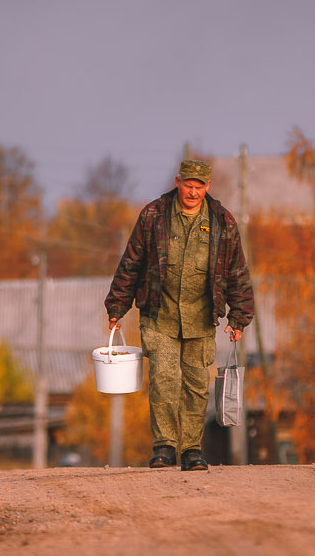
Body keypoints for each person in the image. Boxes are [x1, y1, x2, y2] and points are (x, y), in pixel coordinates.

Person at [104, 157, 256, 470]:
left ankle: (191, 450)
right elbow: (131, 262)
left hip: (201, 319)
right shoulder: (154, 216)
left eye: (199, 186)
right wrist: (117, 306)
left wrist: (239, 316)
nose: (193, 191)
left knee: (197, 385)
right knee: (164, 380)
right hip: (159, 316)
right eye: (188, 184)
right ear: (178, 182)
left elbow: (236, 272)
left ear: (207, 187)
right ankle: (164, 448)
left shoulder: (222, 222)